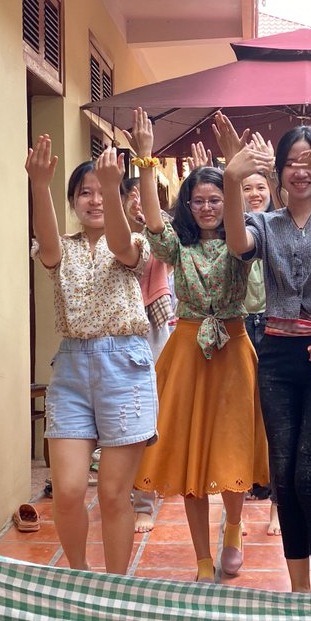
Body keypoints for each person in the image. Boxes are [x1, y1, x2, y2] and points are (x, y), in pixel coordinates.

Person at [220, 114, 311, 593]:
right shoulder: (265, 222)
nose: (299, 171)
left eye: (309, 162)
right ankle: (298, 594)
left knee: (310, 479)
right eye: (290, 163)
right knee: (284, 483)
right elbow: (237, 243)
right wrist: (230, 178)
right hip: (279, 356)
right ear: (279, 172)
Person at [129, 110, 268, 582]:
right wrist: (146, 160)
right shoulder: (177, 249)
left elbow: (242, 220)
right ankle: (202, 559)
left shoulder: (241, 240)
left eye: (214, 199)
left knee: (230, 451)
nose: (207, 207)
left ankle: (233, 527)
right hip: (187, 351)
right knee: (190, 458)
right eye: (198, 201)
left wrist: (236, 167)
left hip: (232, 348)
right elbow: (152, 220)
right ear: (187, 206)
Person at [26, 138, 156, 575]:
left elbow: (122, 247)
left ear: (119, 197)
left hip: (126, 367)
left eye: (103, 190)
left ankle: (115, 588)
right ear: (73, 201)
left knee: (114, 494)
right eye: (85, 191)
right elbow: (46, 246)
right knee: (66, 489)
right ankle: (81, 578)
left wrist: (115, 183)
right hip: (72, 369)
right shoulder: (63, 247)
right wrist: (39, 185)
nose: (94, 198)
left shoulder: (136, 242)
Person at [122, 175, 171, 533]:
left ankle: (144, 500)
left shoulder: (161, 230)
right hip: (116, 331)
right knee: (123, 418)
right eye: (133, 195)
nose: (140, 202)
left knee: (149, 416)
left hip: (154, 325)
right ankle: (128, 491)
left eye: (147, 196)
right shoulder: (109, 232)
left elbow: (165, 236)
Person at [241, 169, 280, 533]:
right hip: (240, 325)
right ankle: (251, 478)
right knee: (244, 412)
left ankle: (275, 503)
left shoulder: (279, 226)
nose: (254, 193)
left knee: (273, 414)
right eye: (247, 187)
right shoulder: (237, 230)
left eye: (261, 186)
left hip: (272, 324)